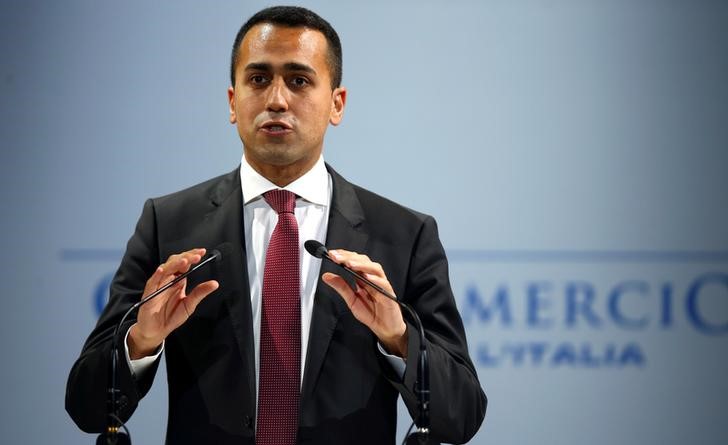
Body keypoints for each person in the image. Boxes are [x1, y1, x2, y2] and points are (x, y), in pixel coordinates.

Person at [66, 6, 486, 445]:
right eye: (259, 79)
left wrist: (399, 338)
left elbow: (463, 415)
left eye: (299, 80)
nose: (277, 100)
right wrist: (140, 342)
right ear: (233, 102)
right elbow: (86, 407)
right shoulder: (169, 224)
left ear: (336, 104)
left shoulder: (403, 235)